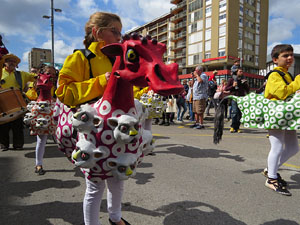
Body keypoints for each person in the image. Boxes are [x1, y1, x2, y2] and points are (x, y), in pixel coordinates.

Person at [55, 12, 130, 225]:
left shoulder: (118, 59)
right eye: (114, 31)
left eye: (120, 31)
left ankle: (115, 218)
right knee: (95, 185)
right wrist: (101, 82)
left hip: (115, 130)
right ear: (97, 33)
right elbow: (63, 92)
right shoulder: (79, 57)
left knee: (118, 177)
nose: (119, 36)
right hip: (91, 132)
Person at [262, 44, 300, 196]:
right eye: (285, 55)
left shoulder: (286, 74)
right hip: (276, 115)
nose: (290, 58)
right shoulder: (274, 75)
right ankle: (271, 178)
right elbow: (281, 92)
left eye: (291, 54)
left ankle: (270, 170)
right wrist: (297, 82)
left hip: (286, 116)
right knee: (277, 147)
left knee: (293, 148)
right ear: (275, 59)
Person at [0, 54, 36, 151]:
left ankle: (18, 145)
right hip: (2, 103)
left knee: (18, 126)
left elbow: (35, 77)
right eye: (9, 61)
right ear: (5, 62)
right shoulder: (0, 73)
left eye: (14, 61)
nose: (12, 63)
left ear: (16, 64)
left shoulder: (22, 74)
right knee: (3, 125)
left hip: (17, 103)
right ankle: (4, 145)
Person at [33, 65, 57, 175]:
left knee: (61, 135)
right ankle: (38, 164)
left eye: (53, 73)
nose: (51, 75)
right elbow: (42, 84)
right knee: (42, 139)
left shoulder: (56, 80)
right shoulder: (39, 78)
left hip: (53, 107)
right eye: (48, 72)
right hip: (42, 108)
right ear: (43, 72)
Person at [225, 67, 249, 133]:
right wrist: (232, 86)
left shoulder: (243, 80)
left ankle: (237, 127)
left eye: (242, 71)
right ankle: (233, 126)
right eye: (240, 71)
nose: (241, 73)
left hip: (241, 98)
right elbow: (226, 88)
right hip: (234, 97)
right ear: (236, 72)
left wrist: (246, 84)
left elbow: (247, 90)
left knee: (239, 113)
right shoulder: (232, 79)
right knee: (234, 112)